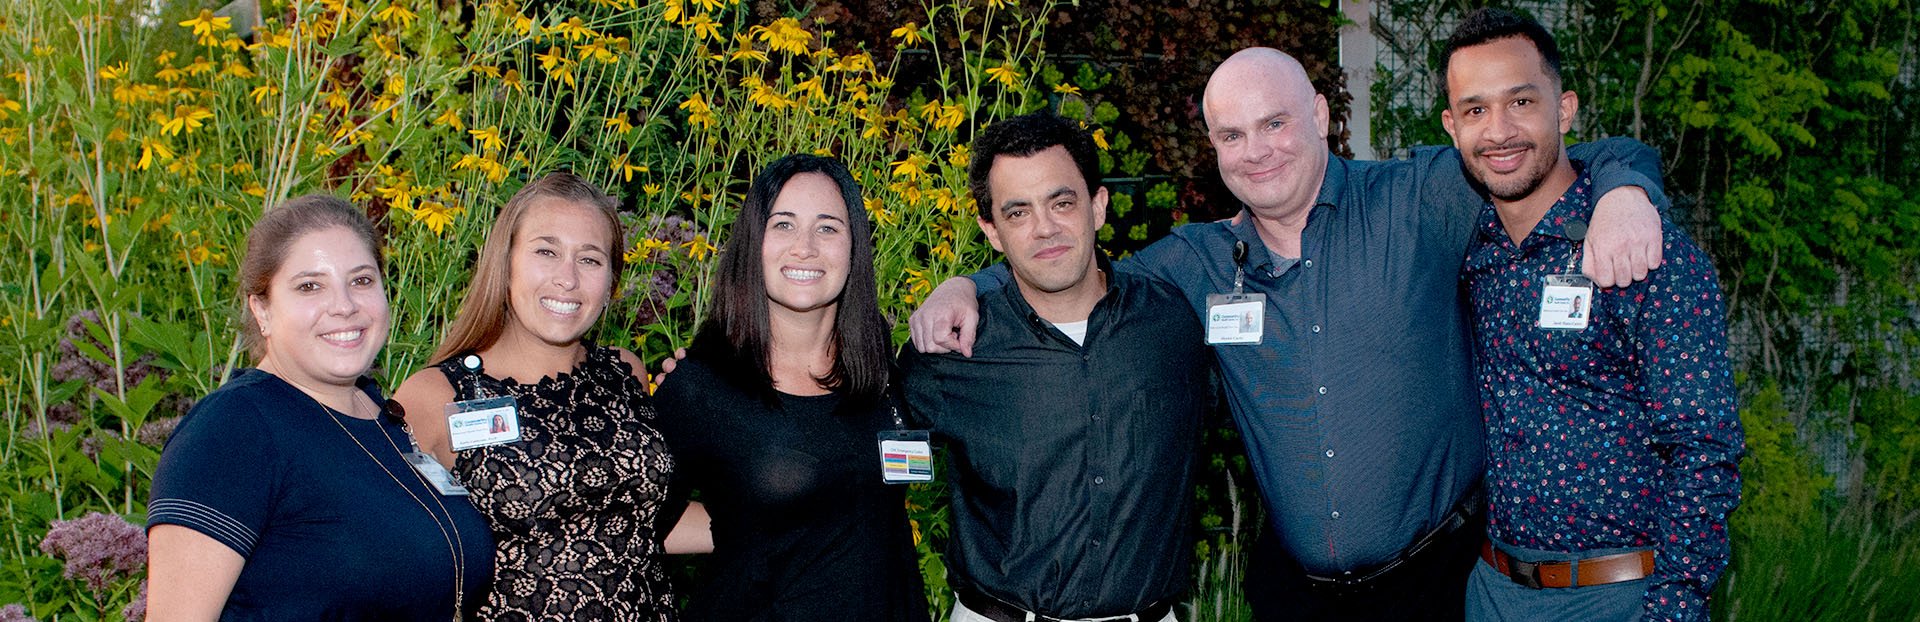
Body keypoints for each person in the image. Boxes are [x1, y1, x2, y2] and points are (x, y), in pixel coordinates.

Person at [909, 48, 1673, 621]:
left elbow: (1545, 157)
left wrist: (1625, 191)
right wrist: (968, 284)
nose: (1258, 150)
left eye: (1274, 123)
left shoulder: (1417, 200)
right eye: (1232, 134)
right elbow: (1067, 270)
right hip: (1294, 596)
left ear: (1318, 113)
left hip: (1436, 582)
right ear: (1214, 149)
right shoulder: (1196, 264)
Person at [1439, 9, 1742, 621]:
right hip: (1493, 592)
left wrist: (1674, 604)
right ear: (1452, 126)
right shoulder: (1469, 251)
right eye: (1475, 110)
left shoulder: (1642, 250)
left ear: (1565, 109)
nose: (1499, 131)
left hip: (1622, 595)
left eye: (1521, 102)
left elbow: (1704, 446)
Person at [900, 112, 1214, 622]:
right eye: (1017, 212)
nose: (1044, 228)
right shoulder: (951, 348)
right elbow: (864, 457)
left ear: (1098, 205)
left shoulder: (1175, 325)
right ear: (991, 231)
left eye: (1061, 202)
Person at [147, 195, 494, 620]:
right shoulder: (235, 429)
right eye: (310, 286)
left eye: (361, 280)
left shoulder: (380, 417)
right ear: (262, 310)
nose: (344, 305)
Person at [393, 172, 702, 621]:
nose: (567, 278)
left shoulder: (625, 372)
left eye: (590, 259)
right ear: (505, 263)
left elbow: (643, 523)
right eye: (546, 251)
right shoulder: (435, 397)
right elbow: (383, 551)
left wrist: (791, 509)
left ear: (612, 283)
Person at [651, 154, 929, 621]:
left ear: (854, 247)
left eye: (827, 228)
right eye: (783, 225)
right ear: (752, 242)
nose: (805, 247)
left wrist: (963, 288)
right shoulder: (699, 388)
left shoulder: (878, 364)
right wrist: (743, 527)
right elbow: (635, 525)